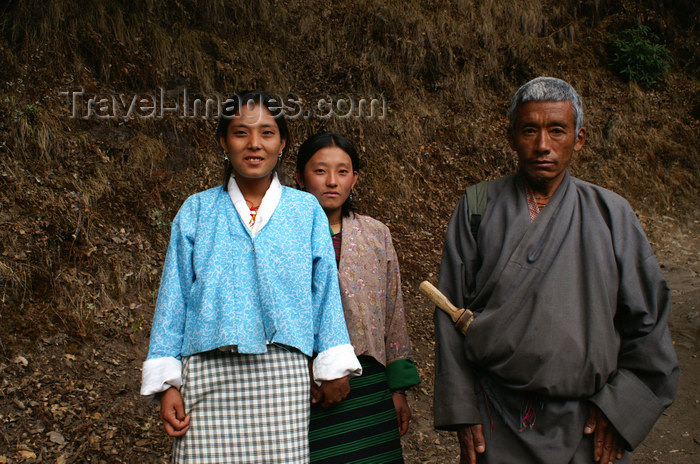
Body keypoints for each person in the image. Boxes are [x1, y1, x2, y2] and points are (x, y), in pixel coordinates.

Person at [433, 77, 679, 464]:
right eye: (529, 130)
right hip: (497, 418)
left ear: (579, 139)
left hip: (588, 422)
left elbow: (648, 323)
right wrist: (462, 409)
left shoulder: (611, 213)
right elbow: (449, 311)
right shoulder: (478, 205)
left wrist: (620, 409)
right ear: (511, 135)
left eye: (557, 130)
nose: (543, 145)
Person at [140, 91, 361, 463]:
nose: (254, 144)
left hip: (283, 375)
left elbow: (324, 293)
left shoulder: (305, 210)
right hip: (208, 374)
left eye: (267, 133)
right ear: (223, 142)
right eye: (241, 132)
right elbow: (173, 298)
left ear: (283, 143)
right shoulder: (196, 211)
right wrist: (168, 384)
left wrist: (333, 363)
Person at [296, 132, 421, 464]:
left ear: (355, 178)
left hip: (369, 384)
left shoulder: (376, 234)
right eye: (320, 171)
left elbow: (393, 311)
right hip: (304, 387)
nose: (332, 181)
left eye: (343, 171)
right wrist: (309, 368)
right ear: (299, 176)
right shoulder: (283, 234)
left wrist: (397, 389)